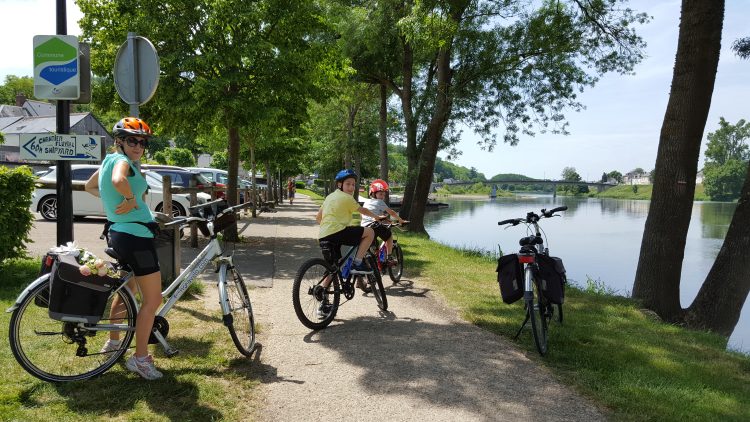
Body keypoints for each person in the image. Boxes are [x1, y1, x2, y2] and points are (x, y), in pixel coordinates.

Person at [84, 117, 163, 380]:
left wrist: (117, 204)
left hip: (119, 232)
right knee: (152, 300)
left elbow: (90, 186)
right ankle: (140, 360)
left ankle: (114, 341)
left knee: (127, 289)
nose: (138, 145)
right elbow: (118, 180)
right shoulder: (121, 162)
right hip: (135, 237)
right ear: (119, 141)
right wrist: (129, 199)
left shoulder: (107, 160)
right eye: (132, 140)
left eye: (142, 141)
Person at [316, 169, 385, 313]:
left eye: (353, 185)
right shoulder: (347, 197)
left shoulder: (329, 197)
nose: (351, 188)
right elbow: (362, 211)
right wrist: (377, 217)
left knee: (333, 268)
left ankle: (322, 298)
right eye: (348, 184)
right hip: (338, 232)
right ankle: (357, 262)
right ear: (339, 185)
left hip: (324, 235)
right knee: (370, 233)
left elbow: (318, 218)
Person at [360, 179, 408, 265]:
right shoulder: (379, 202)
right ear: (374, 194)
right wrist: (400, 220)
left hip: (364, 227)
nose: (382, 196)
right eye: (380, 194)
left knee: (373, 247)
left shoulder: (366, 202)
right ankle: (389, 257)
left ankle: (373, 263)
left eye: (384, 195)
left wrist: (388, 221)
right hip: (374, 225)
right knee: (389, 236)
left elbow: (371, 215)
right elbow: (391, 212)